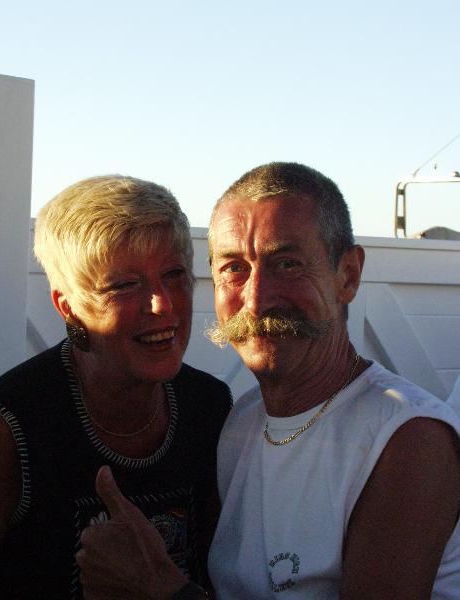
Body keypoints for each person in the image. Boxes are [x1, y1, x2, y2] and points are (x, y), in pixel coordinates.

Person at [77, 163, 460, 599]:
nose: (256, 300)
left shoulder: (406, 439)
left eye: (288, 264)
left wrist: (159, 587)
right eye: (233, 268)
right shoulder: (241, 422)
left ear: (348, 275)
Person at [0, 175, 231, 599]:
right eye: (124, 285)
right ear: (68, 307)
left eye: (174, 274)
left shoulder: (208, 406)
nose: (162, 304)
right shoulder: (3, 431)